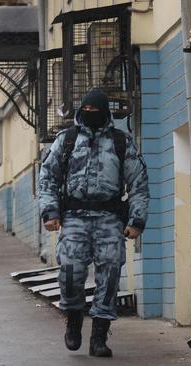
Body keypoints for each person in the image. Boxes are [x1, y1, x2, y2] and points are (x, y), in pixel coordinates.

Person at [38, 89, 149, 358]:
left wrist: (136, 220)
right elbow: (48, 177)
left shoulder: (121, 142)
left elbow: (138, 184)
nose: (91, 115)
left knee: (110, 276)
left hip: (109, 219)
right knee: (70, 273)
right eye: (86, 110)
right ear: (81, 111)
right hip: (74, 217)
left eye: (95, 111)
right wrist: (50, 212)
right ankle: (74, 319)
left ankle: (99, 336)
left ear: (105, 113)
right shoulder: (67, 140)